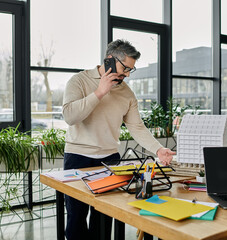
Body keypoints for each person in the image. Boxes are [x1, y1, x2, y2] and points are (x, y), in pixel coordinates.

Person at [62, 39, 176, 240]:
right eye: (125, 68)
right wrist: (100, 91)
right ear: (109, 59)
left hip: (109, 160)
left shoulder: (126, 93)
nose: (127, 75)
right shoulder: (79, 81)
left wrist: (158, 150)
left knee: (104, 217)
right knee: (76, 218)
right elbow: (70, 117)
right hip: (78, 158)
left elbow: (137, 127)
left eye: (131, 70)